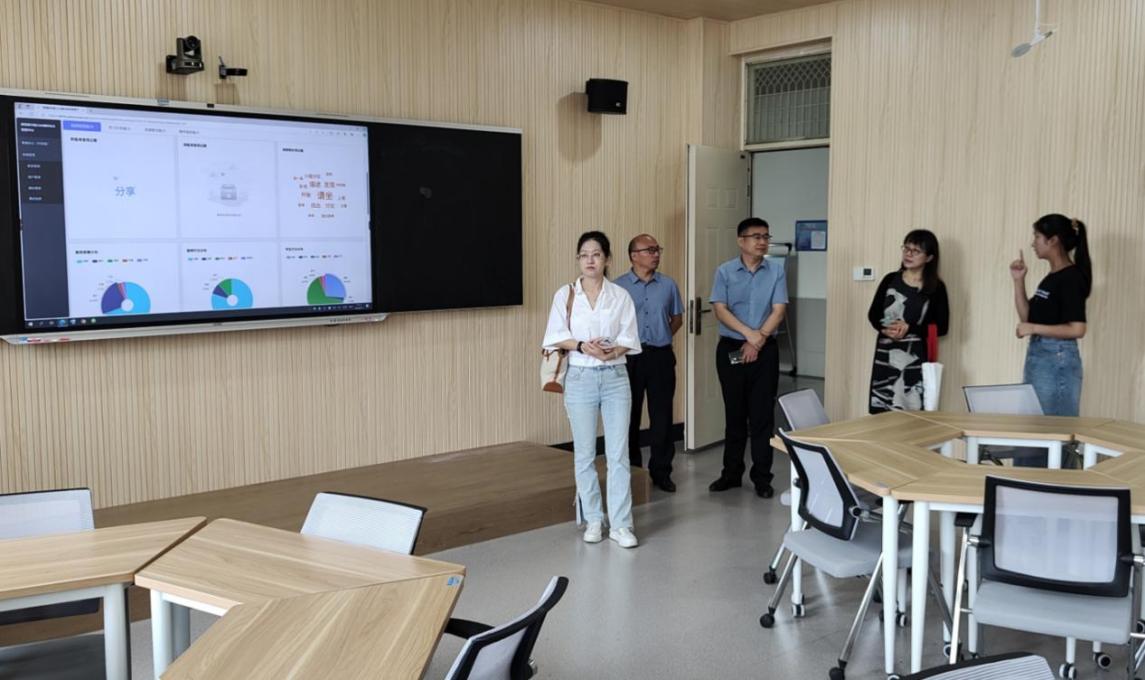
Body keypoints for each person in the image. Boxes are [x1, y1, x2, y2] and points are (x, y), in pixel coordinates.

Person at [542, 231, 642, 548]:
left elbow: (629, 337)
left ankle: (622, 524)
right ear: (578, 259)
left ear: (607, 259)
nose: (590, 260)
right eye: (584, 255)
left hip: (615, 377)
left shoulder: (620, 296)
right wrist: (583, 346)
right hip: (580, 378)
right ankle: (594, 519)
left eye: (596, 254)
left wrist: (612, 352)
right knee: (584, 454)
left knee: (618, 454)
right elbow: (555, 335)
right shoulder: (566, 294)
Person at [708, 217, 788, 498]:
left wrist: (759, 338)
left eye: (766, 236)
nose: (762, 242)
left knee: (762, 416)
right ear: (741, 240)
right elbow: (720, 309)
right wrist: (748, 335)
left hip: (765, 351)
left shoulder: (776, 271)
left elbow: (779, 310)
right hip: (733, 349)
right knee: (735, 414)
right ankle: (731, 474)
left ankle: (762, 477)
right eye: (756, 236)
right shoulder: (725, 271)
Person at [613, 234, 684, 493]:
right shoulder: (618, 287)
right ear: (634, 256)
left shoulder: (668, 285)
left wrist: (660, 336)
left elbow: (677, 319)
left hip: (660, 356)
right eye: (649, 250)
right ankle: (632, 471)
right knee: (628, 416)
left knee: (662, 416)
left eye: (657, 249)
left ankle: (661, 471)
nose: (656, 254)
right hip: (628, 357)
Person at [1010, 213, 1091, 418]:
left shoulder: (1071, 277)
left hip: (1057, 358)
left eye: (1037, 237)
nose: (1033, 243)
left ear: (1053, 240)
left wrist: (1034, 328)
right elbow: (1028, 319)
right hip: (1040, 356)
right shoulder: (1052, 278)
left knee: (1052, 428)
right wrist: (1018, 281)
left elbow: (1077, 328)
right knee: (1035, 424)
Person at [866, 229, 950, 413]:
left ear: (929, 258)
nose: (908, 254)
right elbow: (873, 314)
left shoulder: (936, 287)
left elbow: (942, 327)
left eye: (916, 251)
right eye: (906, 248)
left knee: (912, 411)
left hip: (915, 358)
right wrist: (884, 328)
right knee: (882, 410)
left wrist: (909, 328)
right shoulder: (890, 279)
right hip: (885, 354)